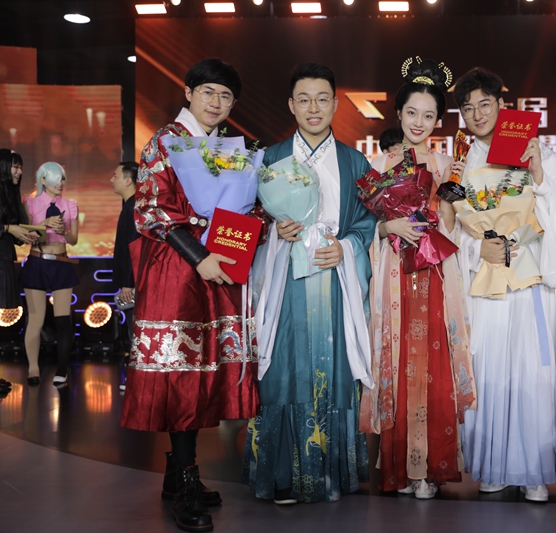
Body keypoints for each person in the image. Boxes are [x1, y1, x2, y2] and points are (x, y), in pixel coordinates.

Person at [119, 59, 263, 533]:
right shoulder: (164, 141)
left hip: (219, 267)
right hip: (177, 269)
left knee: (207, 370)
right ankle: (184, 480)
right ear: (188, 92)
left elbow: (245, 205)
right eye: (208, 92)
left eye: (226, 96)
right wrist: (198, 254)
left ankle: (177, 472)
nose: (216, 103)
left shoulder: (229, 148)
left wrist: (253, 226)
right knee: (181, 370)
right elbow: (150, 210)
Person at [242, 63, 374, 504]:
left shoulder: (355, 161)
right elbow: (247, 218)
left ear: (336, 104)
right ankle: (282, 472)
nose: (313, 108)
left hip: (334, 279)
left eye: (322, 99)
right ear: (291, 105)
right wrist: (272, 231)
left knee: (334, 368)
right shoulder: (269, 159)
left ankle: (332, 472)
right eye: (304, 99)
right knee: (283, 366)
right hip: (285, 281)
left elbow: (367, 222)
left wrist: (347, 247)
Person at [447, 67, 556, 502]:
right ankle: (494, 464)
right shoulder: (461, 162)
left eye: (485, 103)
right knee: (489, 371)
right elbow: (452, 228)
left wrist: (537, 174)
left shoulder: (537, 148)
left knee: (531, 371)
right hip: (485, 281)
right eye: (468, 108)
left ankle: (533, 470)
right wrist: (476, 248)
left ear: (502, 104)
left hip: (528, 275)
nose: (478, 114)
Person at [360, 58, 475, 499]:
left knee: (433, 367)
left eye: (429, 115)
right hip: (395, 275)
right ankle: (400, 469)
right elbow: (364, 226)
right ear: (398, 114)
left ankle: (428, 468)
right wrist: (388, 226)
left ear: (438, 120)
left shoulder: (449, 166)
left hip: (435, 276)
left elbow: (458, 227)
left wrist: (444, 213)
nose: (419, 122)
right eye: (412, 113)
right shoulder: (379, 165)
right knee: (397, 360)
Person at [19, 161, 79, 387]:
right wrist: (43, 224)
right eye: (55, 179)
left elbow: (74, 240)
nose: (60, 184)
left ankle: (62, 370)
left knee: (63, 320)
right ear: (43, 180)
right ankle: (33, 368)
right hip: (37, 261)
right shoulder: (30, 204)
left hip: (61, 262)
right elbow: (25, 235)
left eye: (62, 179)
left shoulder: (70, 205)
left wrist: (65, 231)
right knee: (35, 319)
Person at [0, 149, 40, 393]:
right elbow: (6, 227)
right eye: (15, 167)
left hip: (4, 257)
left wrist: (25, 234)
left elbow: (12, 230)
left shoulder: (10, 194)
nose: (19, 172)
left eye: (21, 167)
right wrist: (8, 228)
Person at [110, 161, 140, 391]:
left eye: (115, 175)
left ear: (128, 180)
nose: (112, 179)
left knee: (135, 329)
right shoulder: (131, 206)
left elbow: (133, 249)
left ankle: (136, 378)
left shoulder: (133, 208)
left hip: (134, 282)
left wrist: (127, 283)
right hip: (131, 280)